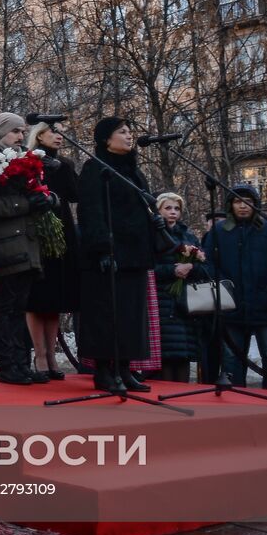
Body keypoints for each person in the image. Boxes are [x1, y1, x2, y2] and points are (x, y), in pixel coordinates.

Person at [77, 118, 161, 393]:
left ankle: (125, 368)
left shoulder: (134, 172)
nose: (129, 136)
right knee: (106, 313)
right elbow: (91, 211)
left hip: (135, 253)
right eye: (122, 132)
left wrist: (155, 224)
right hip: (107, 255)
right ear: (105, 139)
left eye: (129, 131)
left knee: (131, 315)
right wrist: (101, 246)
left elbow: (142, 206)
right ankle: (103, 369)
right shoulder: (95, 168)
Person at [0, 113, 52, 384]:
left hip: (28, 244)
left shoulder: (24, 160)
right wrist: (25, 204)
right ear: (1, 133)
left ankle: (21, 363)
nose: (21, 137)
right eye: (15, 132)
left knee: (21, 306)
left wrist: (45, 198)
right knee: (6, 307)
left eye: (23, 131)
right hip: (6, 244)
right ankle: (8, 365)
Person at [202, 184, 267, 389]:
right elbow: (208, 262)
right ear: (230, 205)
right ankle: (235, 396)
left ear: (256, 205)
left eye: (248, 202)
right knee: (231, 356)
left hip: (265, 302)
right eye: (237, 201)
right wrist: (224, 287)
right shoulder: (220, 230)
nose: (243, 206)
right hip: (231, 303)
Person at [23, 122, 79, 380]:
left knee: (55, 297)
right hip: (37, 230)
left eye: (60, 132)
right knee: (37, 296)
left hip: (62, 228)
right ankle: (40, 355)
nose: (59, 136)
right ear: (40, 135)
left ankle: (53, 355)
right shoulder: (28, 160)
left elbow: (75, 194)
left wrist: (65, 170)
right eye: (53, 132)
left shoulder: (64, 164)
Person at [151, 192, 206, 383]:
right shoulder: (151, 235)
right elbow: (146, 269)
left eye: (177, 208)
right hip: (160, 302)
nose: (173, 212)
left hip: (184, 304)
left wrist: (191, 266)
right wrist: (171, 271)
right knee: (164, 357)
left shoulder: (188, 236)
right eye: (167, 208)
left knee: (183, 354)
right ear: (157, 211)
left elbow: (206, 268)